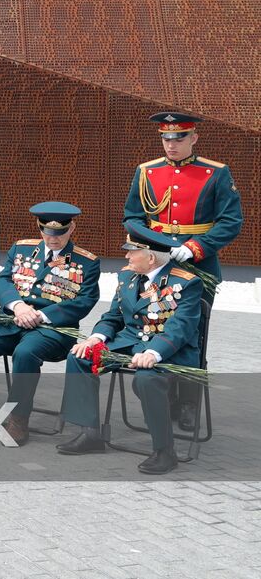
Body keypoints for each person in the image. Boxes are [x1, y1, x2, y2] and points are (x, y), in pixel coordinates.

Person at [122, 111, 241, 432]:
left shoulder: (215, 173)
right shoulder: (146, 171)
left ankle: (188, 404)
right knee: (156, 325)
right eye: (166, 138)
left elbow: (231, 221)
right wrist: (156, 244)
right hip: (157, 263)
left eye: (178, 138)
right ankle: (163, 394)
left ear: (193, 139)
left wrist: (195, 247)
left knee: (193, 334)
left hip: (198, 264)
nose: (171, 145)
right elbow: (132, 217)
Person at [57, 223, 203, 475]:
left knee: (146, 379)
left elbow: (180, 328)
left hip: (169, 349)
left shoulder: (186, 283)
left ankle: (164, 451)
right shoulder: (127, 276)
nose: (125, 256)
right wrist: (96, 338)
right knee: (80, 357)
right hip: (129, 343)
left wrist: (153, 353)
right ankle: (90, 433)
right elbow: (114, 315)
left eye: (131, 251)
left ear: (150, 256)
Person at [0, 202, 101, 443]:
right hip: (13, 320)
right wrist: (18, 306)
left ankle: (18, 417)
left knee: (25, 353)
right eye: (47, 232)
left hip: (52, 329)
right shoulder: (22, 249)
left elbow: (86, 300)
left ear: (71, 229)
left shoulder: (87, 261)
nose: (53, 239)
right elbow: (3, 281)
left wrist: (41, 315)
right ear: (40, 229)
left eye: (59, 233)